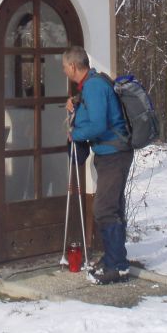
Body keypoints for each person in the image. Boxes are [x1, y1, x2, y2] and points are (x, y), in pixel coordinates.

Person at [63, 45, 133, 284]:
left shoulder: (93, 86)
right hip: (111, 153)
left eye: (65, 67)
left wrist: (75, 134)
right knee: (113, 207)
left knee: (104, 209)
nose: (65, 72)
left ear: (73, 66)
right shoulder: (92, 84)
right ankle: (115, 260)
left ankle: (118, 266)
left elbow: (98, 125)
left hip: (114, 154)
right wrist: (75, 102)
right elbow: (93, 111)